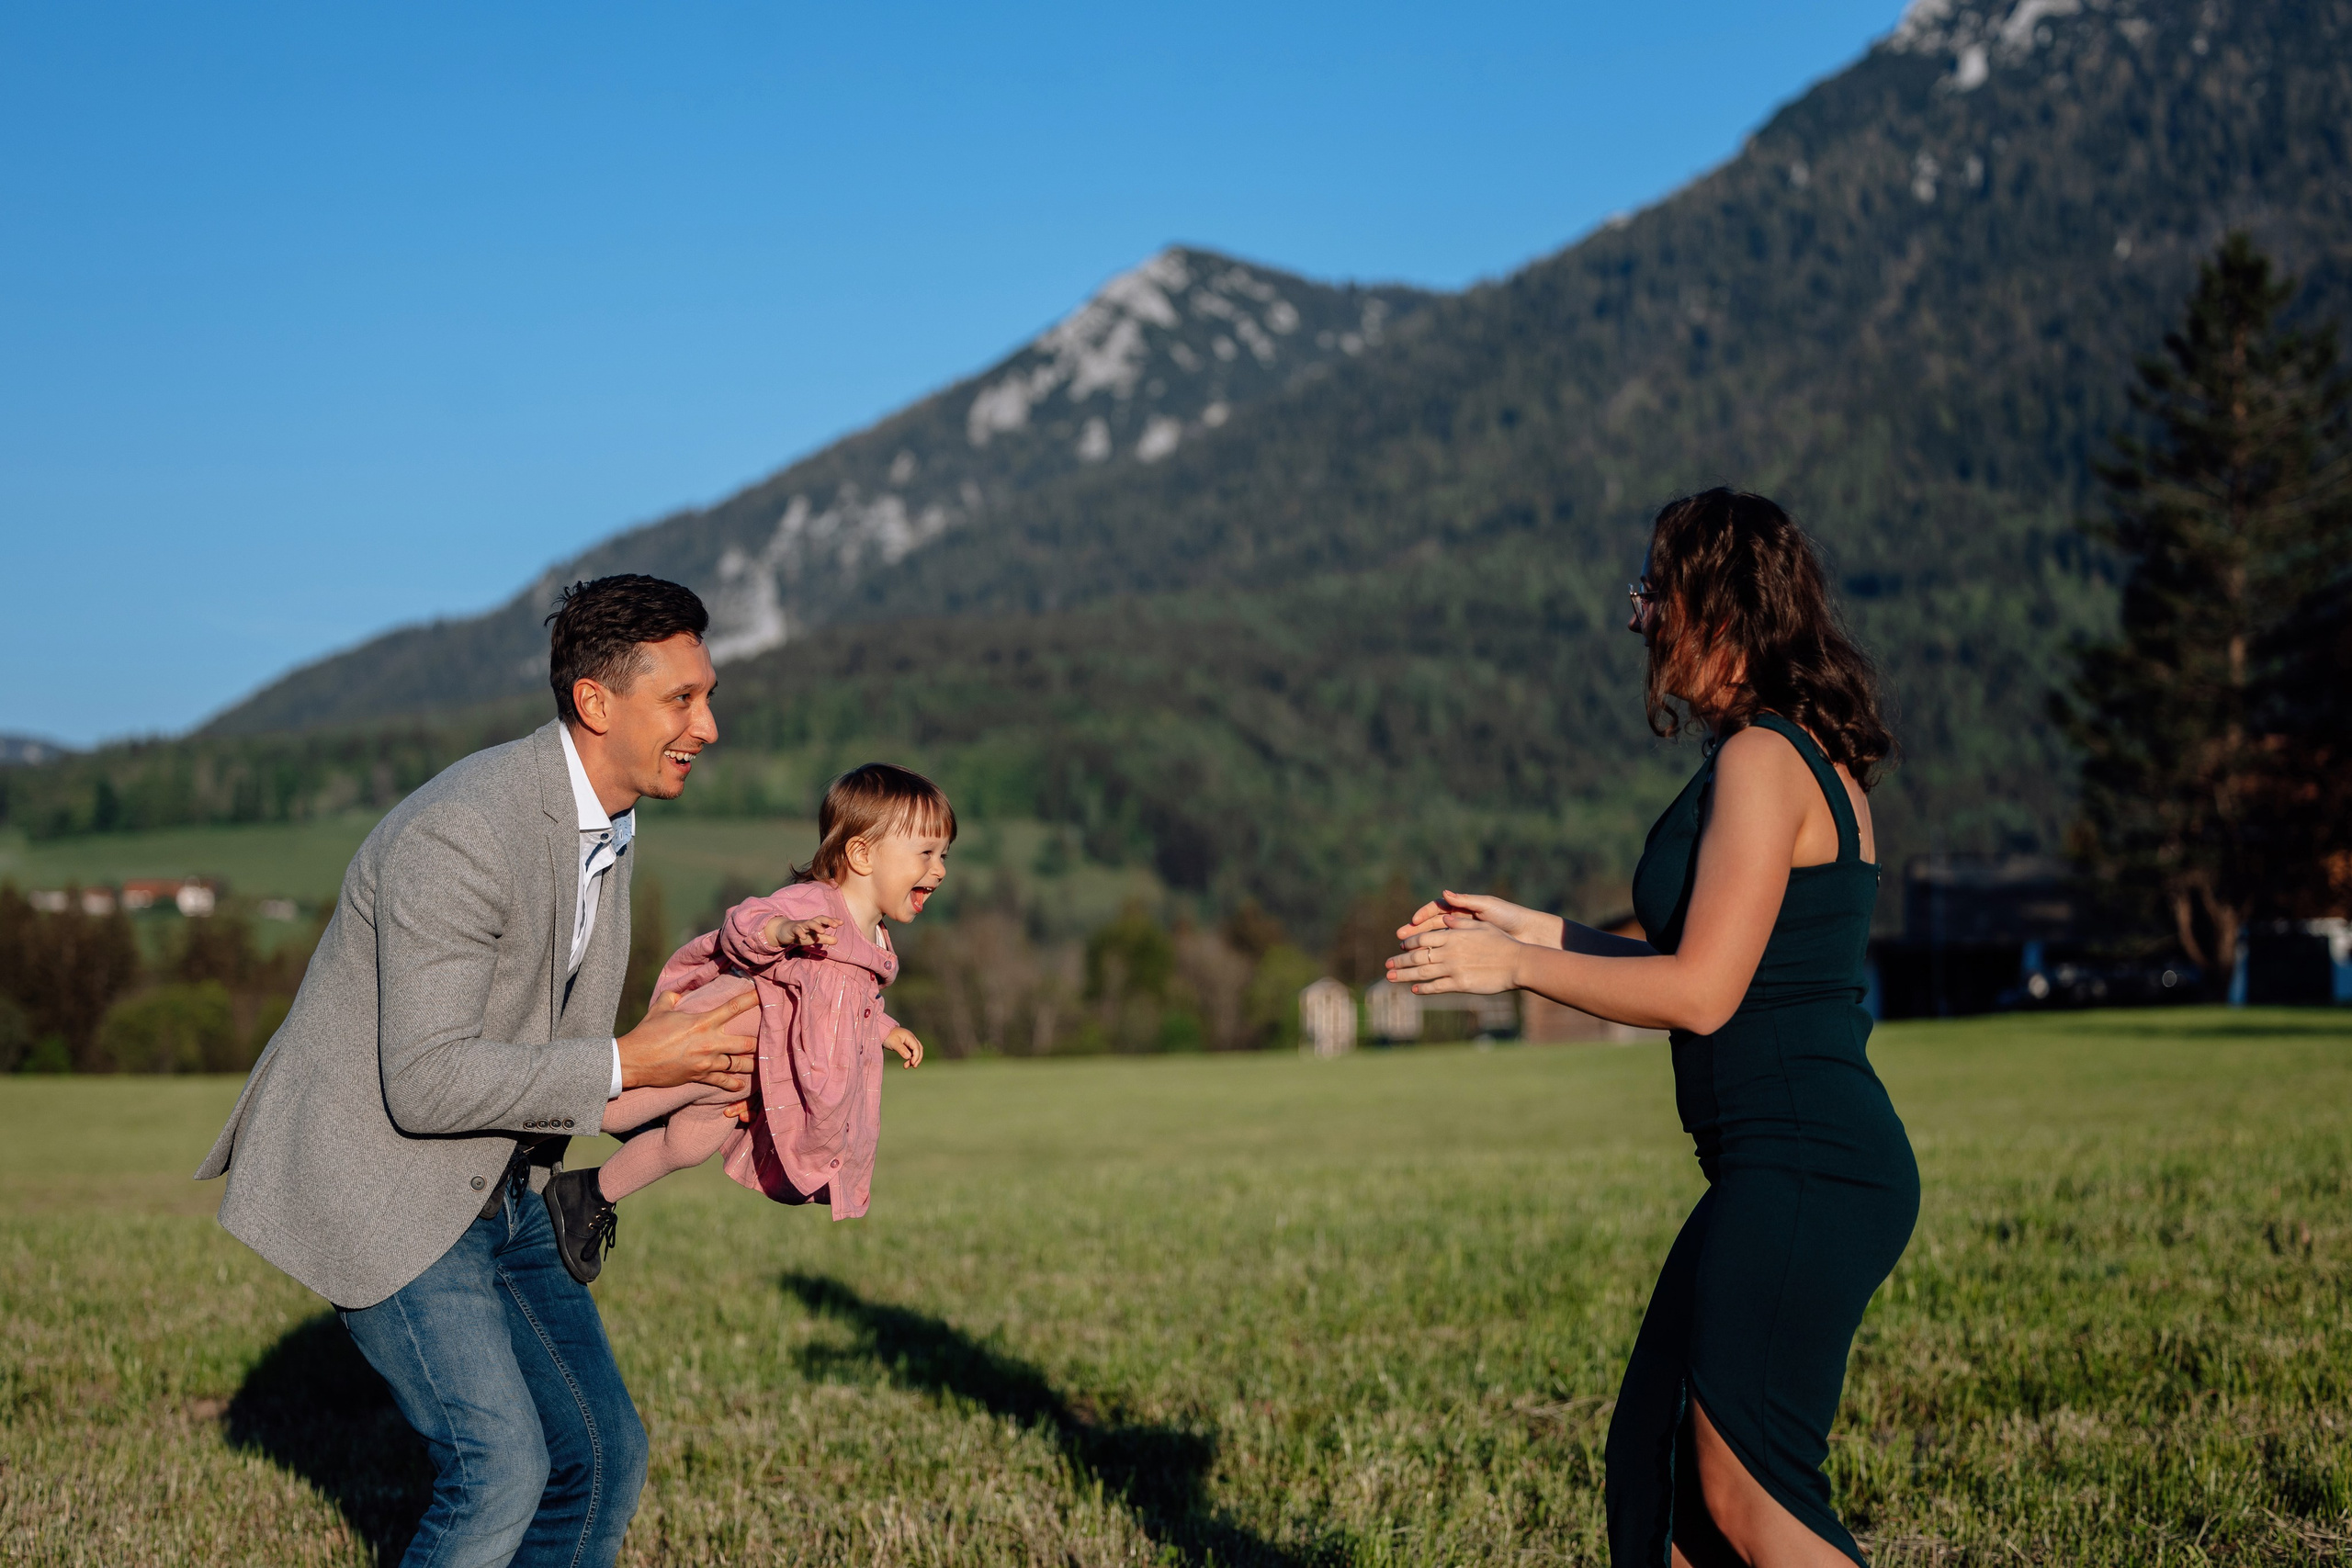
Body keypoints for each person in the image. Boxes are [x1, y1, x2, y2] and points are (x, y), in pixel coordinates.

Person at [1386, 489, 1917, 1568]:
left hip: (1806, 1163)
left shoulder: (1767, 762)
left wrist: (1515, 967)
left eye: (1653, 593)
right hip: (1779, 1164)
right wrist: (1535, 930)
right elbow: (1708, 965)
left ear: (1716, 608)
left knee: (1747, 1494)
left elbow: (1703, 995)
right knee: (1661, 1474)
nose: (1637, 618)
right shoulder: (1787, 753)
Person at [195, 574, 760, 1568]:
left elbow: (556, 1063)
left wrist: (714, 1071)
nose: (708, 725)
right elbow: (426, 1081)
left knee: (602, 1454)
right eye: (684, 698)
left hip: (503, 1185)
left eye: (705, 695)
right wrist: (634, 1056)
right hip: (385, 1181)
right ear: (597, 702)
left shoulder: (608, 827)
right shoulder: (462, 831)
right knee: (499, 1471)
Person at [540, 762, 952, 1284]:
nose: (939, 870)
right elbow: (745, 923)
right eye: (926, 854)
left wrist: (886, 1030)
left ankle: (586, 1195)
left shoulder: (875, 945)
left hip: (750, 1073)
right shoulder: (816, 904)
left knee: (687, 1147)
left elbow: (843, 1012)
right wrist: (785, 930)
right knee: (621, 1112)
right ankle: (517, 1137)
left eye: (943, 855)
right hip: (715, 1034)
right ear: (862, 854)